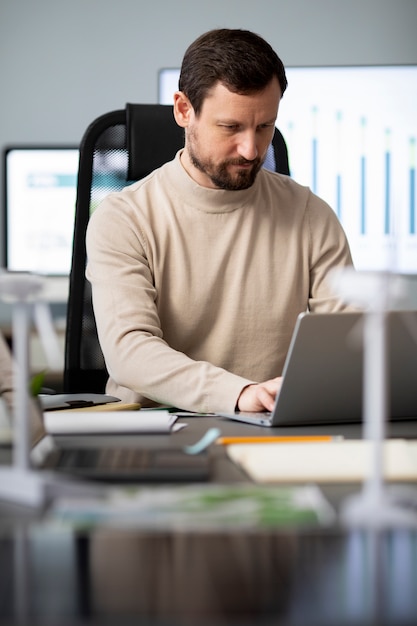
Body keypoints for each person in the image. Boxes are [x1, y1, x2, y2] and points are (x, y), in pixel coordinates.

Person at [86, 28, 353, 414]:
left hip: (275, 425)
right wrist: (239, 394)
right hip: (157, 429)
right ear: (183, 110)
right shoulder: (124, 218)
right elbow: (130, 350)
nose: (251, 149)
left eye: (264, 127)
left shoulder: (310, 214)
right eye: (231, 127)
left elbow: (350, 342)